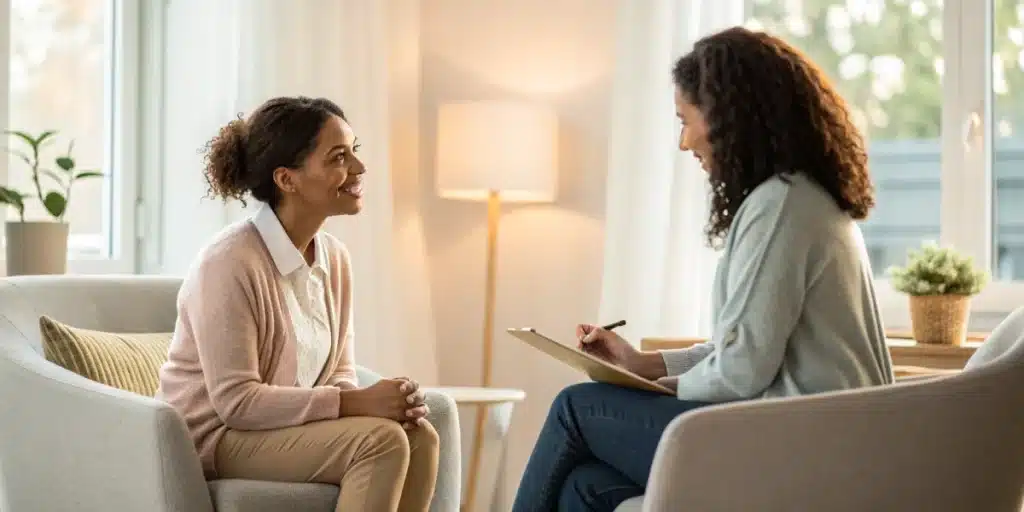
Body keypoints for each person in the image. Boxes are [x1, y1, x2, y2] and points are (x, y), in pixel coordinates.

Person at [510, 26, 895, 512]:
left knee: (576, 408)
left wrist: (661, 389)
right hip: (811, 441)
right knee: (583, 487)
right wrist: (645, 366)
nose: (684, 142)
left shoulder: (781, 205)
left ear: (731, 117)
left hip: (799, 451)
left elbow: (739, 372)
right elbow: (746, 346)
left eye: (685, 120)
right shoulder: (800, 200)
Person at [156, 96, 439, 512]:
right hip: (217, 436)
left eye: (354, 152)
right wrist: (357, 404)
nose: (358, 169)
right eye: (338, 157)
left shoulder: (334, 259)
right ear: (287, 179)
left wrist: (385, 400)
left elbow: (338, 371)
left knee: (420, 435)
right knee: (380, 442)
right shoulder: (229, 263)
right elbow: (236, 403)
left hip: (277, 428)